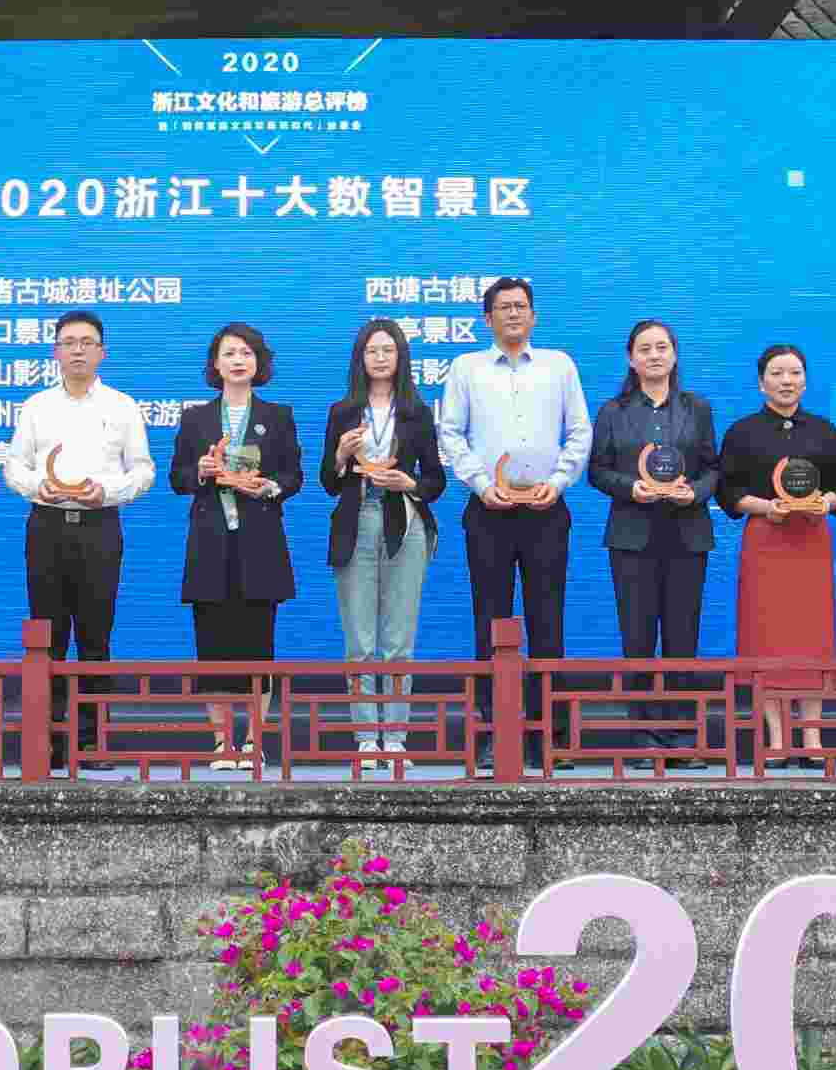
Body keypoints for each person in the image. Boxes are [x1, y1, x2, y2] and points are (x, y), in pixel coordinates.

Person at [437, 277, 592, 771]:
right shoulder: (467, 368)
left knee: (548, 623)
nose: (513, 314)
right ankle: (493, 733)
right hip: (489, 510)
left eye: (521, 306)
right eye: (503, 307)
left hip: (547, 509)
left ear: (534, 315)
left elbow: (579, 430)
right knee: (491, 622)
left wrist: (560, 481)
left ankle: (552, 736)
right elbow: (450, 434)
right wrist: (483, 484)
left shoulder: (559, 365)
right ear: (487, 319)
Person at [1, 309, 155, 771]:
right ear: (55, 352)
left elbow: (143, 470)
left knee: (95, 637)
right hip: (47, 526)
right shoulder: (36, 406)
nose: (78, 350)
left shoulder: (122, 407)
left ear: (102, 352)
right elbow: (14, 465)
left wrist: (107, 491)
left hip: (99, 528)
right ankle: (46, 743)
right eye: (69, 342)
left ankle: (89, 742)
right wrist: (37, 486)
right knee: (46, 639)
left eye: (87, 342)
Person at [171, 323, 304, 771]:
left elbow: (293, 476)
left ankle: (253, 742)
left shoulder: (278, 416)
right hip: (210, 542)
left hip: (259, 542)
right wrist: (201, 470)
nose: (238, 360)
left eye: (246, 352)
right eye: (229, 353)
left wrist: (268, 487)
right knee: (212, 646)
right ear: (216, 363)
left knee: (258, 646)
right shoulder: (196, 418)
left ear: (258, 362)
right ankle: (221, 743)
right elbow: (177, 478)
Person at [715, 343, 836, 764]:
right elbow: (727, 490)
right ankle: (776, 736)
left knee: (812, 633)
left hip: (811, 538)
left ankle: (812, 735)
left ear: (805, 381)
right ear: (761, 383)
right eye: (776, 374)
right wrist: (764, 507)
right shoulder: (742, 432)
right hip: (766, 538)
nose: (786, 381)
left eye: (794, 373)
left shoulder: (824, 431)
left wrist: (826, 502)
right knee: (767, 633)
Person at [586, 320, 719, 757]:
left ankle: (682, 734)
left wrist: (694, 492)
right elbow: (597, 471)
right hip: (632, 536)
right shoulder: (613, 411)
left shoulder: (697, 408)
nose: (654, 355)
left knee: (683, 637)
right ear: (631, 359)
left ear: (674, 355)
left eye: (662, 347)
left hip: (687, 534)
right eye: (645, 349)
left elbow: (714, 469)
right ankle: (643, 735)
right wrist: (631, 488)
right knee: (638, 638)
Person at [322, 318, 445, 758]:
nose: (379, 358)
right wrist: (340, 455)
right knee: (359, 642)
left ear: (400, 357)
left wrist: (408, 483)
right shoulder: (342, 411)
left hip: (404, 522)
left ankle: (393, 736)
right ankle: (365, 738)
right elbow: (328, 483)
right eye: (371, 351)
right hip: (356, 520)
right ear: (360, 358)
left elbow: (436, 479)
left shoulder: (417, 412)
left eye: (387, 350)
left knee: (398, 641)